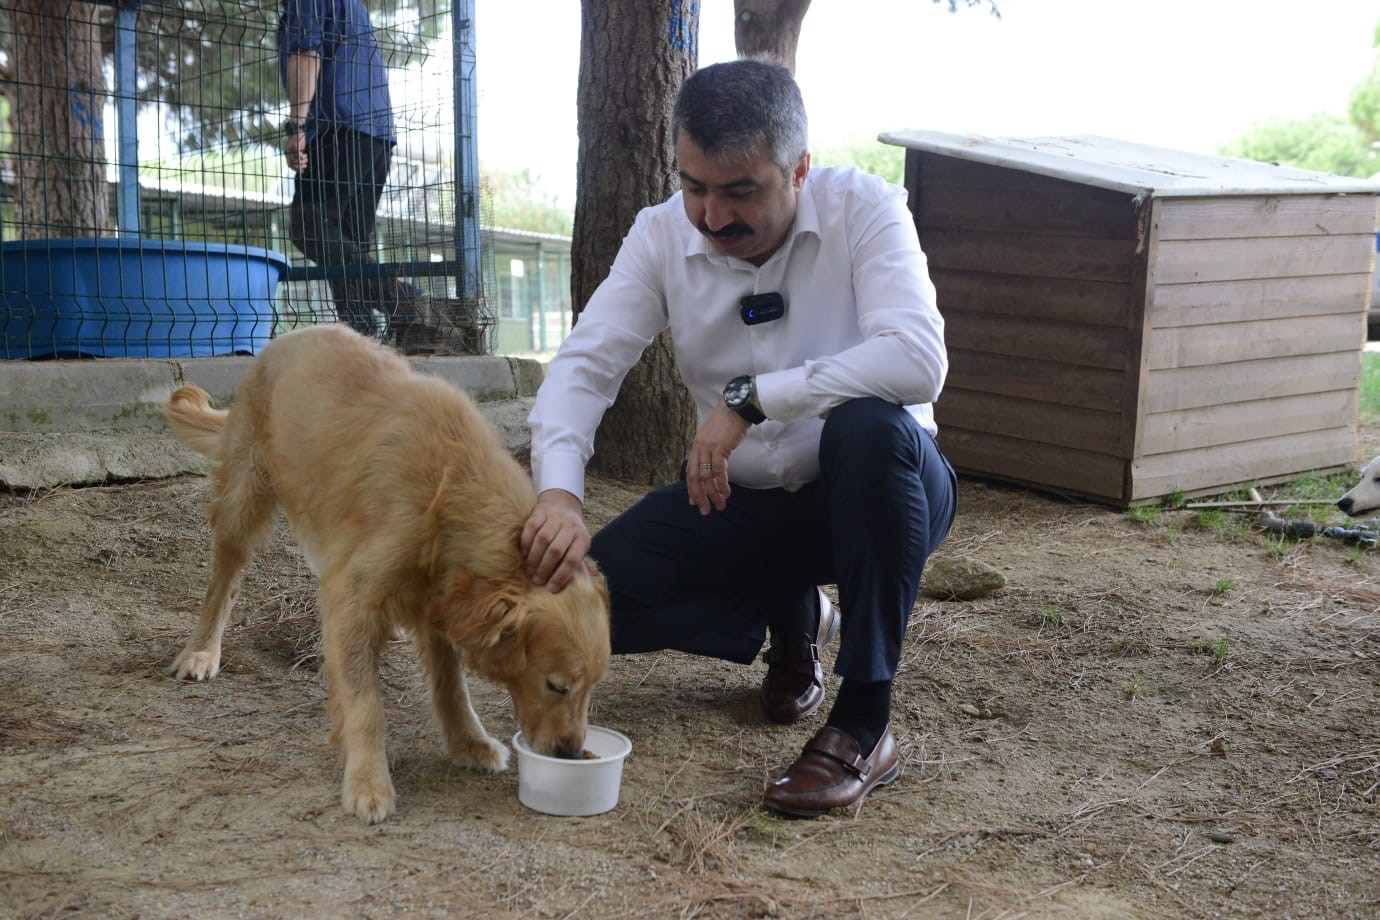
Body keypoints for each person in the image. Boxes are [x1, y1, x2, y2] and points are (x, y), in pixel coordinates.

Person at [519, 58, 957, 818]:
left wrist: (754, 401)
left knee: (868, 426)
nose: (712, 216)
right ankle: (789, 613)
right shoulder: (659, 236)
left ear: (799, 171)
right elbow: (585, 366)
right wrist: (558, 492)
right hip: (750, 505)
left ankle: (863, 722)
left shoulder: (866, 208)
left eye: (740, 191)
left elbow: (919, 359)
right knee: (591, 601)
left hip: (887, 490)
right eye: (694, 186)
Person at [278, 0, 415, 340]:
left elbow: (305, 53)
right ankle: (365, 341)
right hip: (376, 133)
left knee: (308, 226)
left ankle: (410, 306)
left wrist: (296, 127)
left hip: (336, 128)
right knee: (347, 243)